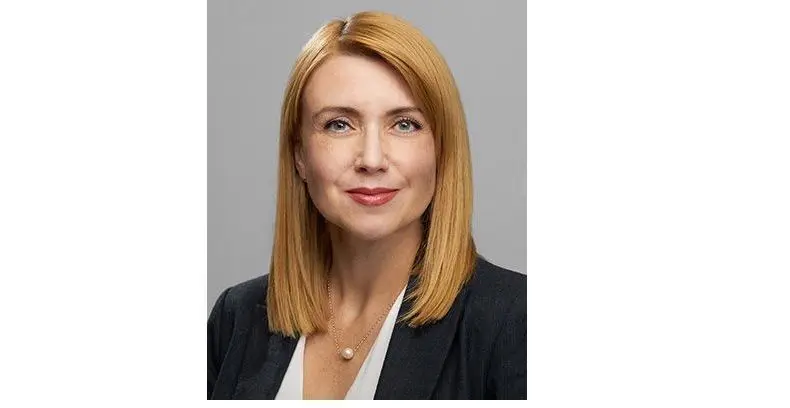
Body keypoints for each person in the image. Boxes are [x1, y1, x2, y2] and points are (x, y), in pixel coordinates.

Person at [207, 10, 526, 400]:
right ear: (300, 156)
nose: (372, 159)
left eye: (404, 124)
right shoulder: (235, 319)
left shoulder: (516, 322)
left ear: (441, 150)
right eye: (339, 124)